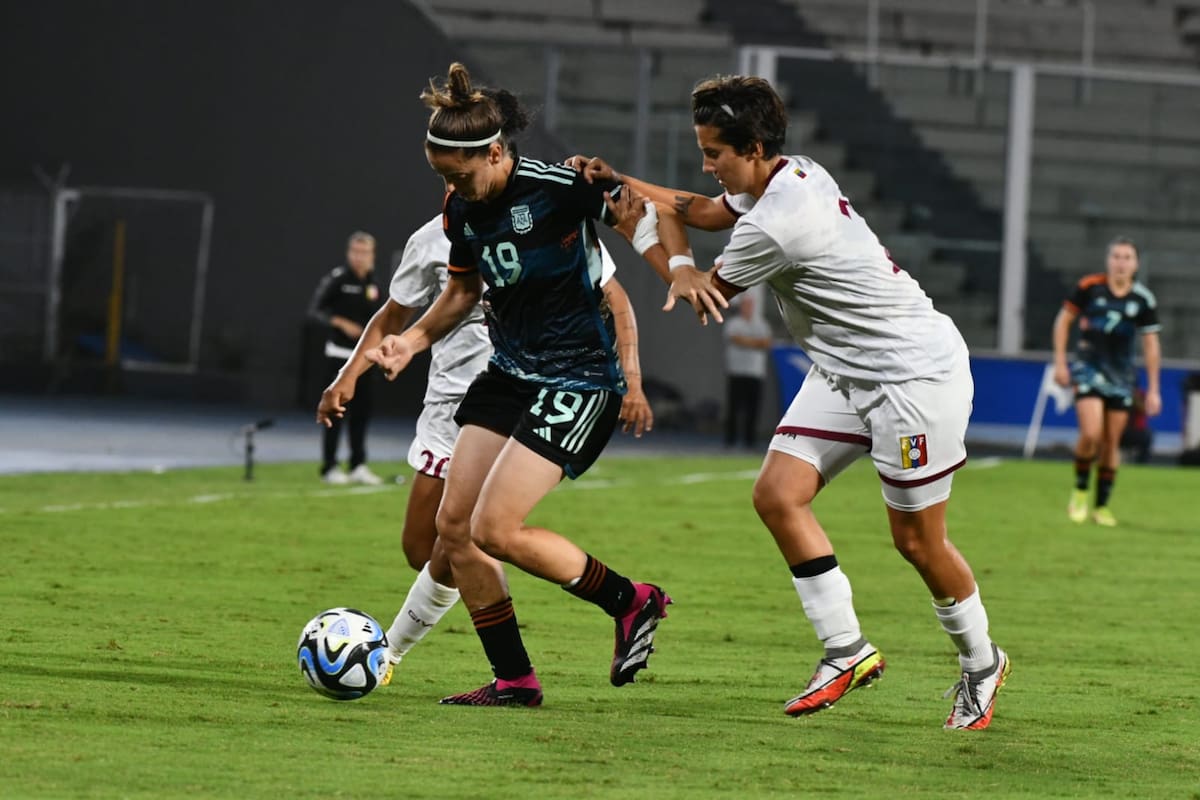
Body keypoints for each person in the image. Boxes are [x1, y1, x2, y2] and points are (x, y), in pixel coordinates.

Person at [576, 73, 1009, 730]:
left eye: (715, 151)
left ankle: (982, 663)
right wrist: (626, 185)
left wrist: (634, 230)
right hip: (843, 368)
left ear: (751, 147)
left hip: (911, 377)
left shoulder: (779, 223)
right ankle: (847, 651)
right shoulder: (788, 173)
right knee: (777, 494)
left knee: (918, 542)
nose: (706, 163)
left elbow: (702, 297)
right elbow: (699, 208)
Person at [362, 62, 671, 706]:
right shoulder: (461, 209)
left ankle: (632, 600)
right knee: (453, 530)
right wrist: (412, 341)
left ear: (496, 152)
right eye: (442, 176)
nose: (452, 187)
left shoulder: (558, 189)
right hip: (508, 374)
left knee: (497, 529)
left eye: (460, 174)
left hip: (579, 377)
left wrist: (681, 269)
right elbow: (463, 291)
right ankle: (514, 679)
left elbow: (643, 216)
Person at [316, 208, 652, 681]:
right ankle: (613, 606)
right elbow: (395, 314)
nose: (456, 184)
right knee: (425, 546)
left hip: (516, 396)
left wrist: (632, 380)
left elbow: (613, 297)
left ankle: (400, 657)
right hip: (448, 406)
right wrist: (348, 375)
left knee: (468, 535)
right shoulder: (431, 239)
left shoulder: (544, 213)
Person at [1052, 237, 1162, 526]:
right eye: (1116, 256)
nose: (1121, 262)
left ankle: (1101, 506)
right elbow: (1063, 322)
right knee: (1091, 433)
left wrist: (1153, 389)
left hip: (1122, 377)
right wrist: (1061, 362)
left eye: (1127, 257)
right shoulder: (1089, 288)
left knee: (1112, 441)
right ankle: (1079, 491)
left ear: (1136, 264)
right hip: (1088, 369)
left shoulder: (1143, 300)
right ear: (1108, 260)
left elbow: (1151, 346)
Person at [307, 231, 385, 485]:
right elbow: (316, 310)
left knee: (362, 414)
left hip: (366, 360)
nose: (360, 257)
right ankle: (329, 466)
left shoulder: (374, 284)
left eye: (365, 252)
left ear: (372, 255)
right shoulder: (339, 279)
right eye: (356, 252)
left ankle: (358, 464)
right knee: (335, 412)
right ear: (349, 253)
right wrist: (341, 323)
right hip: (339, 356)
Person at [723, 293, 772, 448]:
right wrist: (755, 343)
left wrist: (746, 342)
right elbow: (735, 339)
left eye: (750, 305)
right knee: (734, 407)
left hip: (755, 373)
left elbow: (766, 343)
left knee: (753, 408)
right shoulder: (734, 323)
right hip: (737, 371)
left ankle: (749, 440)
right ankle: (730, 440)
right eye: (745, 305)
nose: (747, 308)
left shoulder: (761, 324)